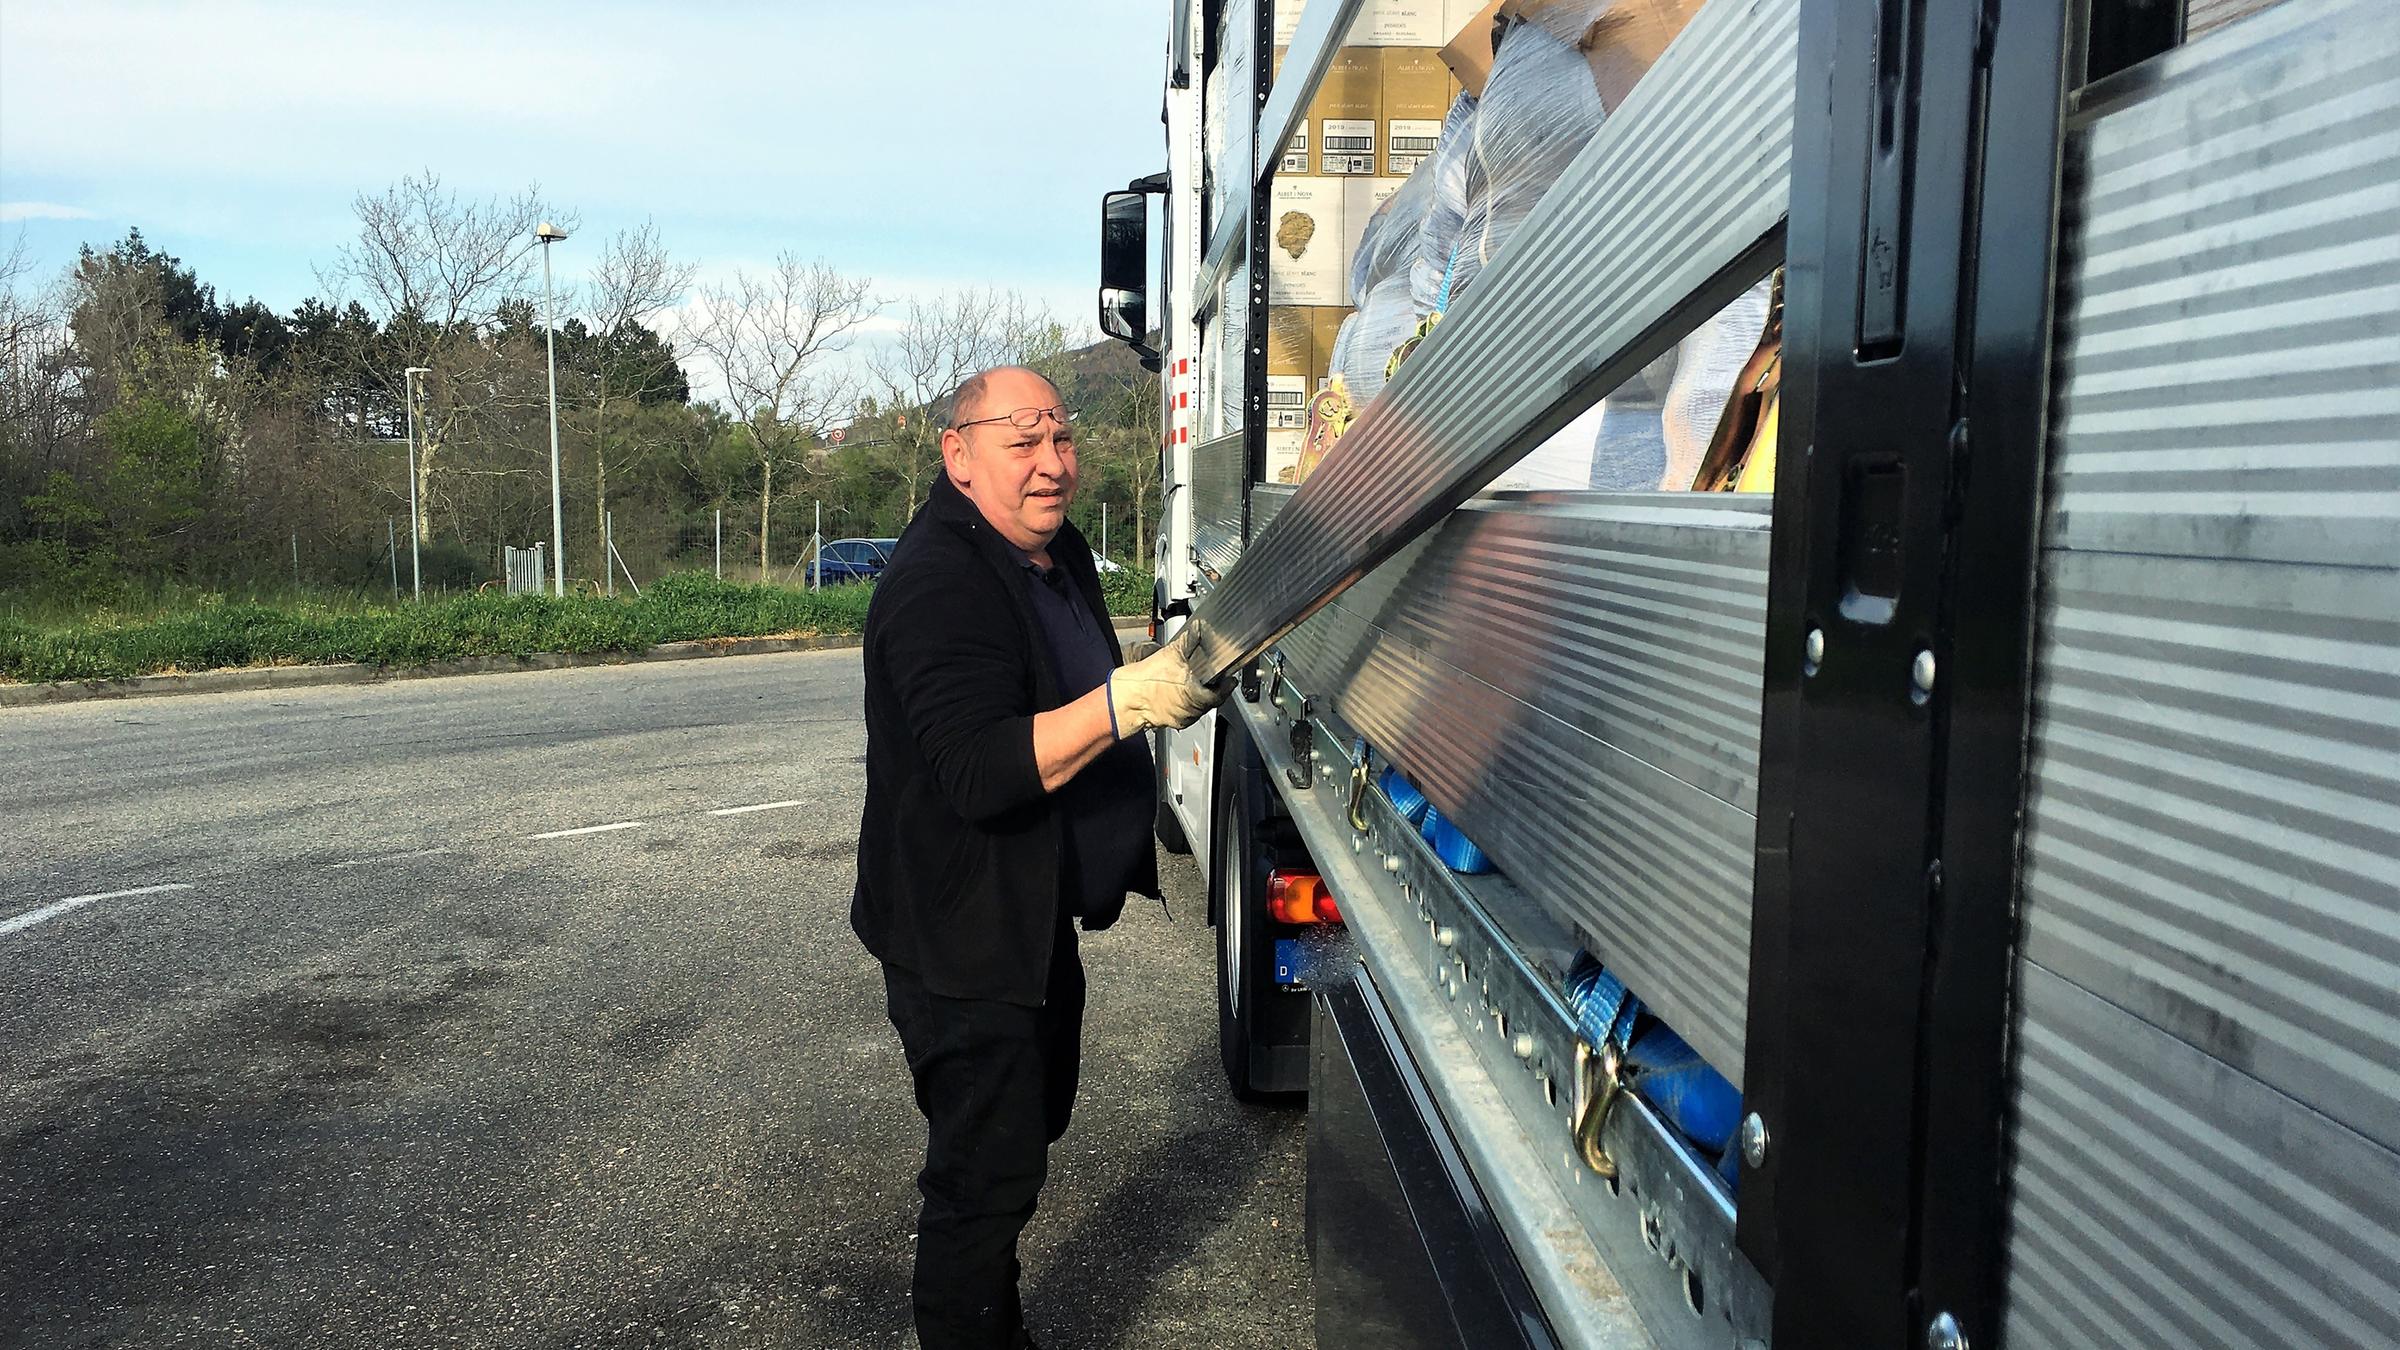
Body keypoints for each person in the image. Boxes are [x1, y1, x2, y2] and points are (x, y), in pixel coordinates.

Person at [851, 365, 1223, 1349]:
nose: (1052, 465)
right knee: (982, 1179)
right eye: (1023, 443)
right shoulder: (939, 584)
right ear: (958, 454)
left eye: (1061, 438)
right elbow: (978, 769)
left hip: (1031, 919)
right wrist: (1128, 702)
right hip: (963, 937)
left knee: (1030, 1124)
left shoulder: (1050, 553)